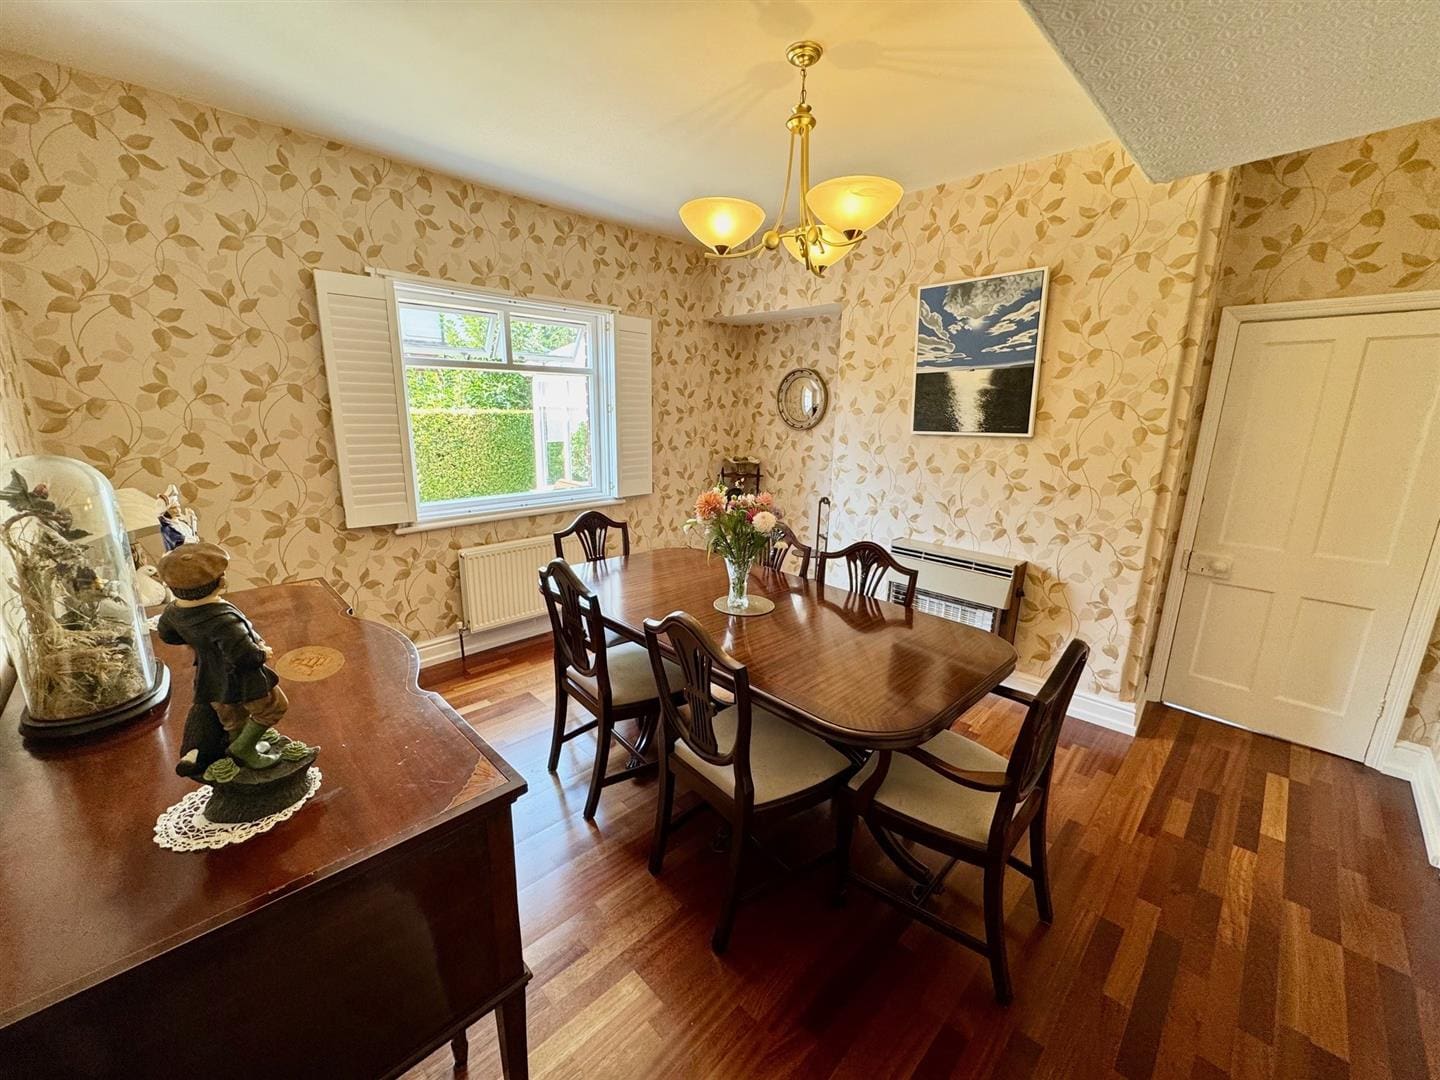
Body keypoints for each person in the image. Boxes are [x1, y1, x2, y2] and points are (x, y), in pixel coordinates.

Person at [156, 543, 288, 772]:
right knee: (273, 707)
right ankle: (244, 749)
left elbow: (167, 635)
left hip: (209, 677)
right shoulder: (223, 621)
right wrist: (261, 654)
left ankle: (238, 748)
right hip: (243, 680)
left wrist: (201, 644)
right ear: (221, 582)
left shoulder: (173, 612)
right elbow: (245, 656)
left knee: (232, 717)